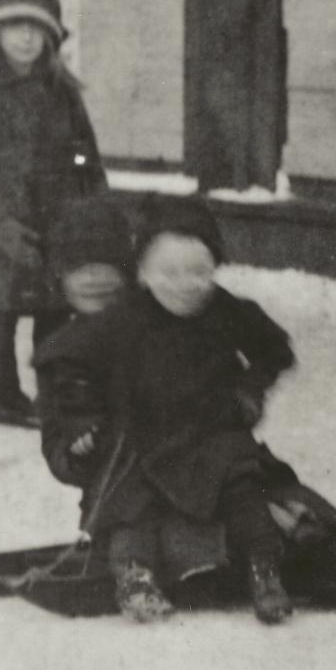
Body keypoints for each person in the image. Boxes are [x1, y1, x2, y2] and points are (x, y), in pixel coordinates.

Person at [34, 198, 301, 625]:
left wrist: (247, 392)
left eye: (199, 272)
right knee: (129, 498)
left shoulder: (224, 309)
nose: (186, 285)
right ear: (144, 274)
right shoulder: (125, 316)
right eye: (170, 273)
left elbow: (274, 349)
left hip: (210, 435)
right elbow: (65, 357)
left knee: (242, 484)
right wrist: (81, 420)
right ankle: (133, 576)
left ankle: (264, 568)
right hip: (146, 439)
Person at [0, 0, 107, 428]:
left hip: (54, 220)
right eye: (14, 28)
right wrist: (1, 227)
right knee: (0, 316)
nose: (25, 38)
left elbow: (83, 151)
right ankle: (8, 400)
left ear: (50, 39)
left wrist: (89, 195)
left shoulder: (62, 94)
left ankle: (52, 394)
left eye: (35, 30)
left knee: (54, 310)